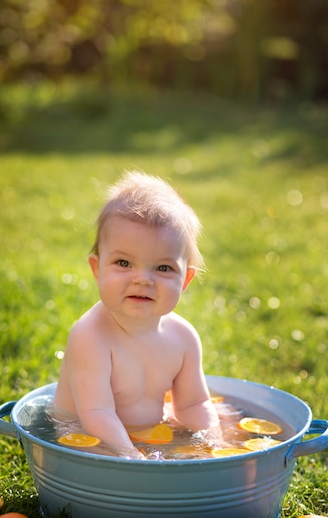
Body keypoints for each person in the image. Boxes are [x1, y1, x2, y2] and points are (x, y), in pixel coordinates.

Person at [53, 171, 221, 457]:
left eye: (163, 268)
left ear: (186, 280)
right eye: (124, 262)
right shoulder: (91, 335)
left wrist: (213, 441)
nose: (143, 279)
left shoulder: (183, 338)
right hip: (86, 437)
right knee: (97, 457)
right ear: (97, 269)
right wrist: (128, 453)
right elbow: (97, 412)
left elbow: (194, 403)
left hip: (149, 435)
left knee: (219, 424)